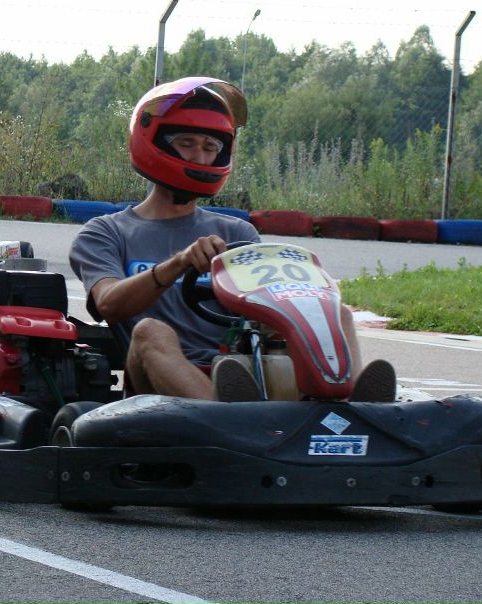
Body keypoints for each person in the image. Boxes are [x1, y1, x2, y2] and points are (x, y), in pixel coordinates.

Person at [69, 76, 396, 402]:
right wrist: (179, 263)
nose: (200, 158)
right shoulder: (107, 231)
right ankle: (226, 415)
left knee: (338, 315)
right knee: (149, 331)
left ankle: (348, 408)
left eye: (210, 147)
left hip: (239, 369)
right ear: (154, 142)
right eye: (187, 143)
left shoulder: (237, 233)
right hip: (157, 383)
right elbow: (109, 303)